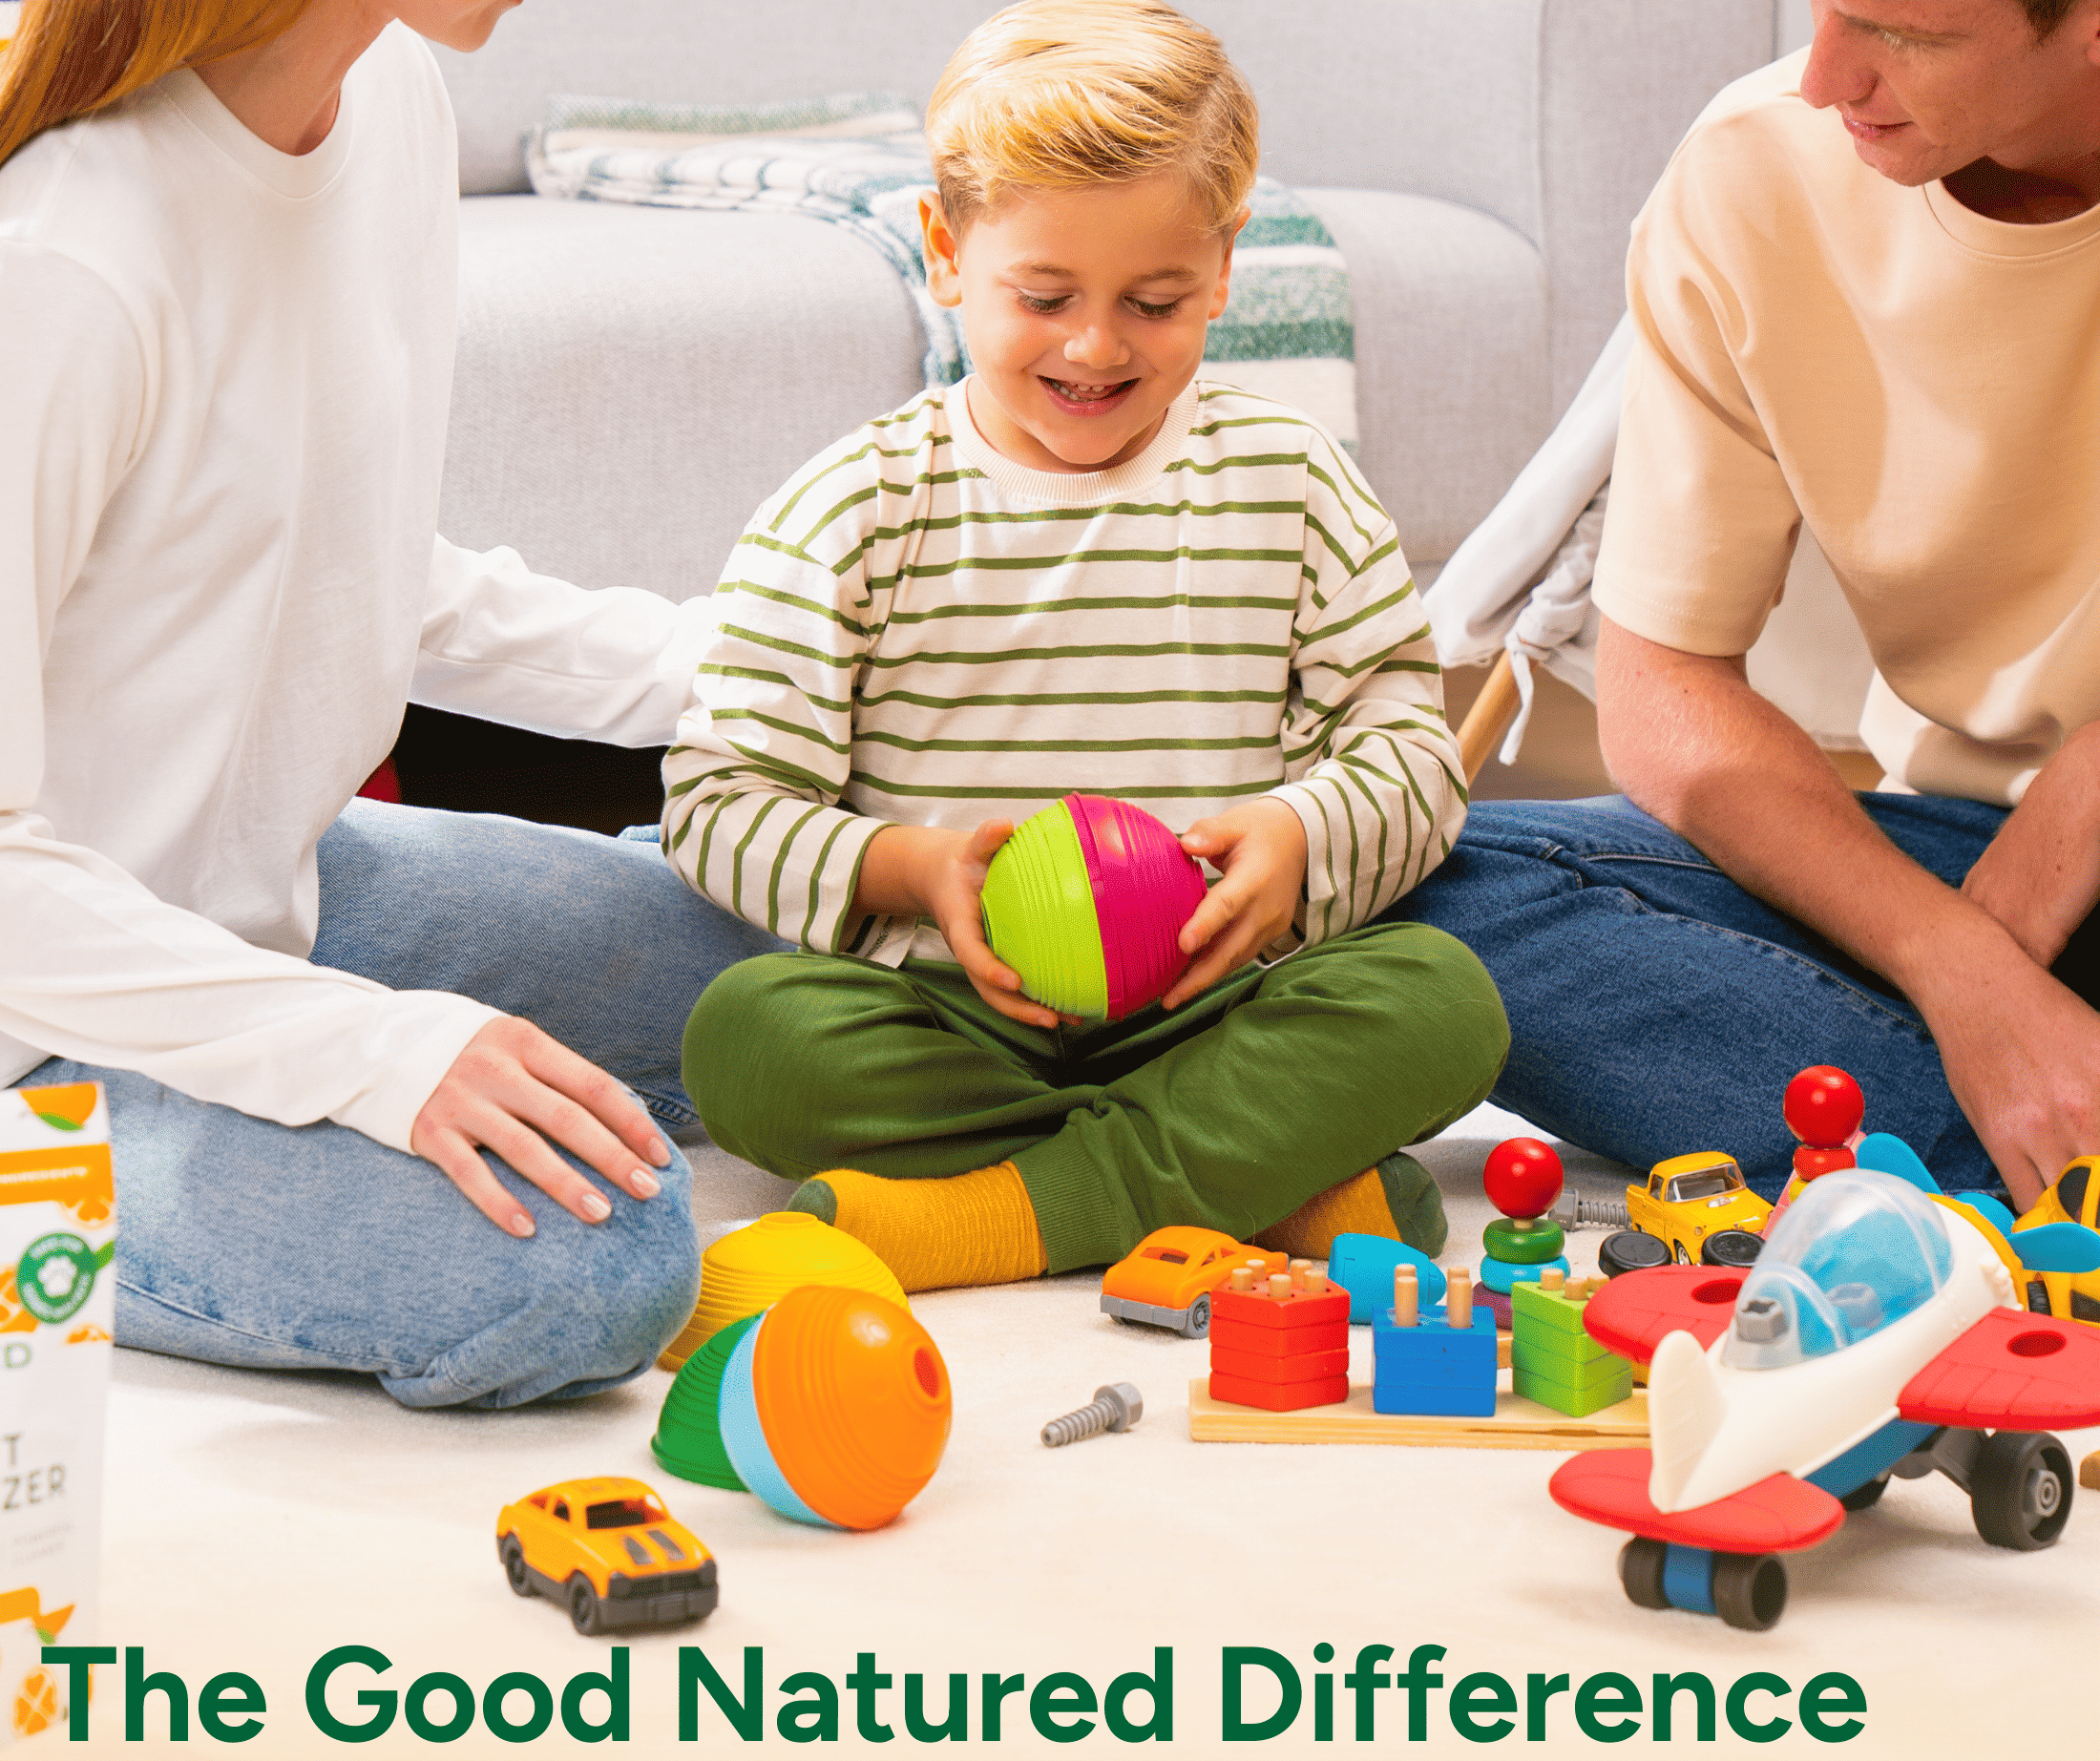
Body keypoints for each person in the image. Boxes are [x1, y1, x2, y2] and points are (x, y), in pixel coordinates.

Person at [0, 0, 771, 1407]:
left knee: (769, 969)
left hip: (250, 905)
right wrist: (374, 1049)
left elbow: (346, 557)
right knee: (595, 1257)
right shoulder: (52, 263)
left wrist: (761, 670)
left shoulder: (389, 100)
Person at [662, 0, 1506, 1295]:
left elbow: (1411, 757)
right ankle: (1251, 1177)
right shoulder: (854, 506)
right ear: (947, 252)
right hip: (958, 1012)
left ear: (1223, 269)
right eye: (1044, 296)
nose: (1096, 345)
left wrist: (1297, 836)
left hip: (1213, 1006)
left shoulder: (1292, 482)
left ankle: (1004, 1215)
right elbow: (718, 804)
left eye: (1154, 302)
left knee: (1441, 1000)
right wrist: (911, 869)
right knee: (750, 1042)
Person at [1394, 0, 2100, 1210]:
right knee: (1414, 883)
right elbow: (1664, 686)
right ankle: (2041, 1141)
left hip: (2036, 865)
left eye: (1905, 35)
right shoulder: (1757, 167)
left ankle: (1990, 1156)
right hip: (1958, 857)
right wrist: (1958, 965)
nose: (1825, 77)